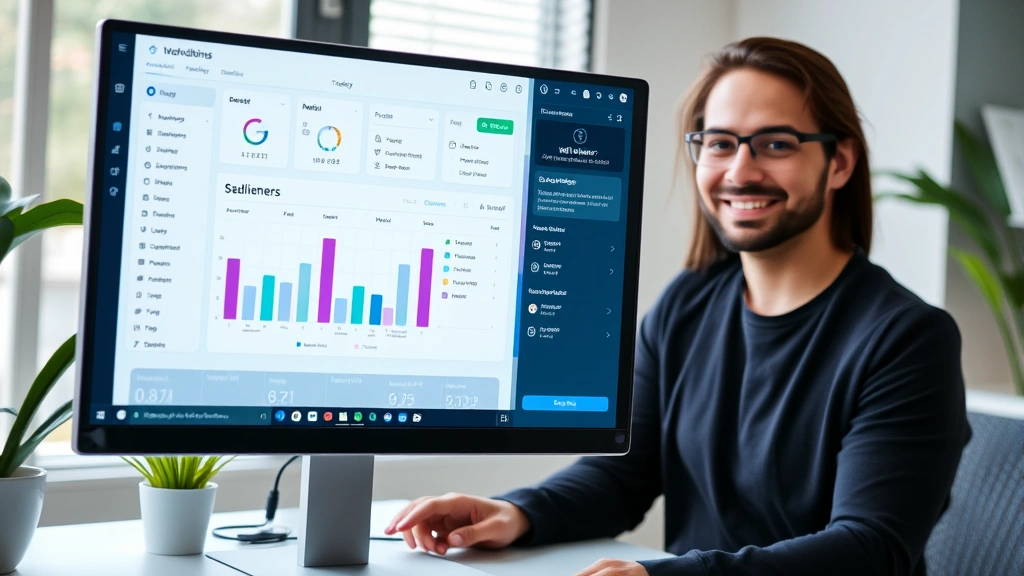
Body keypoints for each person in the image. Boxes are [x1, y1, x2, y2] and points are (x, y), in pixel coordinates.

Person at [385, 37, 971, 576]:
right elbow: (624, 473)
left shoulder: (907, 338)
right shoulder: (686, 305)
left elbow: (871, 546)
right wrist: (514, 512)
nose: (740, 171)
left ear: (839, 161)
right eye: (719, 143)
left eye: (775, 143)